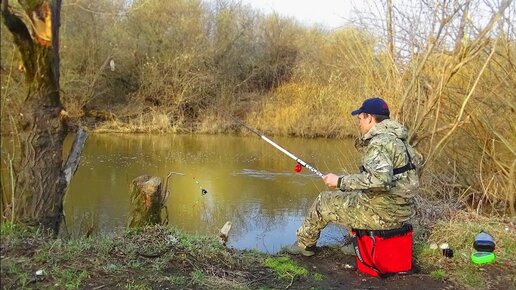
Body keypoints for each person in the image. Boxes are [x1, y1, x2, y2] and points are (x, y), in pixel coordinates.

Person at [287, 97, 421, 256]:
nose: (359, 123)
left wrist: (340, 181)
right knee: (354, 195)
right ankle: (359, 242)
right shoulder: (400, 140)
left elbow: (380, 181)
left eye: (360, 118)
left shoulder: (380, 142)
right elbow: (412, 169)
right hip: (404, 212)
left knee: (324, 201)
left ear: (370, 117)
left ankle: (305, 246)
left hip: (384, 214)